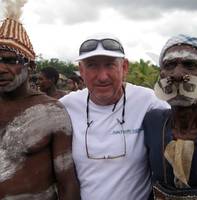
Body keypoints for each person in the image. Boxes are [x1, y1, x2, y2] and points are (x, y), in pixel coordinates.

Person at [59, 33, 169, 200]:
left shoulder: (148, 101)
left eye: (110, 65)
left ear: (124, 67)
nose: (102, 76)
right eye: (92, 66)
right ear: (81, 70)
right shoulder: (66, 106)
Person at [0, 1, 80, 199]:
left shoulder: (52, 112)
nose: (1, 68)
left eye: (10, 61)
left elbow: (67, 182)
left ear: (31, 66)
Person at [143, 34, 197, 199]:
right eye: (169, 65)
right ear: (161, 75)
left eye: (190, 64)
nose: (177, 74)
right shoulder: (152, 121)